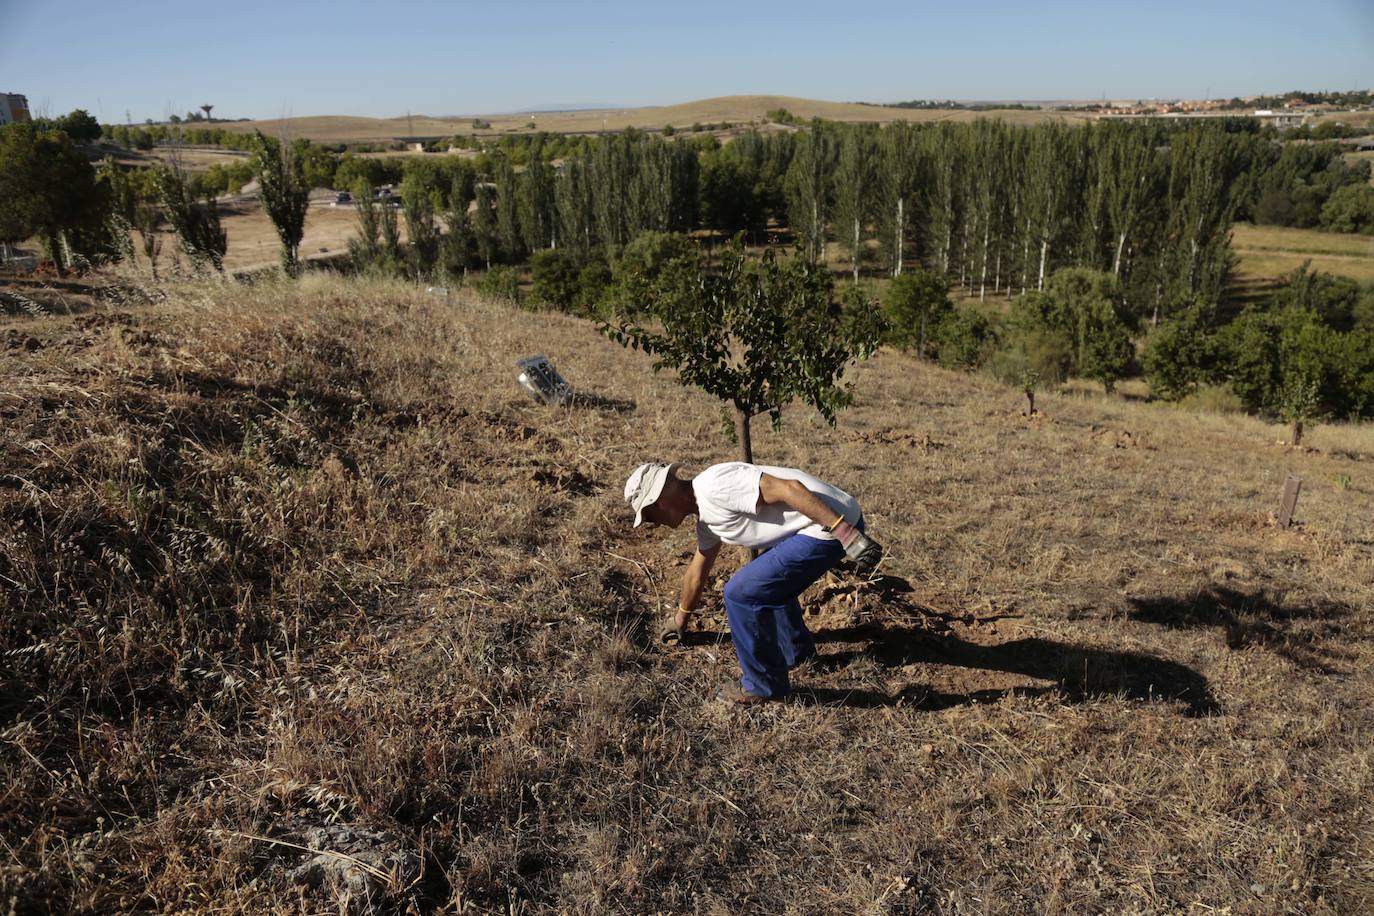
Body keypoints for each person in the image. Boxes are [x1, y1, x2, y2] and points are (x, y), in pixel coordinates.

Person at [624, 461, 883, 704]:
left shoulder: (713, 485)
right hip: (823, 524)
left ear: (658, 502)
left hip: (829, 524)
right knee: (766, 580)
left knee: (740, 594)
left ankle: (763, 686)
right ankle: (797, 653)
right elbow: (698, 569)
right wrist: (681, 618)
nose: (653, 524)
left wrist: (845, 533)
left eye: (649, 516)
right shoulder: (707, 518)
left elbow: (788, 488)